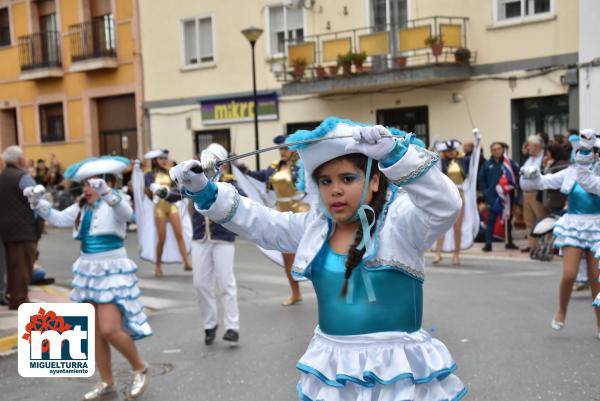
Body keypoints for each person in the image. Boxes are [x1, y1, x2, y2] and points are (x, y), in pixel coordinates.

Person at [171, 117, 466, 400]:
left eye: (347, 178)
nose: (335, 189)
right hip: (334, 367)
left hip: (397, 370)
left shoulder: (401, 222)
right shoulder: (315, 227)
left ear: (375, 181)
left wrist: (395, 155)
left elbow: (445, 205)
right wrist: (206, 192)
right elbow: (262, 223)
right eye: (325, 181)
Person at [25, 156, 151, 400]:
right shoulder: (82, 206)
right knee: (93, 332)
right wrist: (38, 203)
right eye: (83, 184)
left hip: (111, 269)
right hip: (88, 270)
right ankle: (107, 381)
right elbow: (60, 219)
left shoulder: (117, 202)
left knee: (110, 329)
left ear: (108, 183)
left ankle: (139, 366)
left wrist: (108, 194)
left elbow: (127, 215)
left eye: (91, 184)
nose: (85, 189)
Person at [521, 130, 600, 338]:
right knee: (569, 274)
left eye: (595, 151)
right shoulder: (571, 172)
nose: (594, 154)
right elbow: (544, 183)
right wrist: (534, 174)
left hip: (597, 228)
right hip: (574, 224)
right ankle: (562, 310)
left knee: (596, 278)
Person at [238, 135, 308, 306]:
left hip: (302, 213)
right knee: (288, 258)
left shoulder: (302, 166)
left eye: (285, 148)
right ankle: (296, 292)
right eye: (280, 149)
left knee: (313, 254)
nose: (282, 152)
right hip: (283, 215)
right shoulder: (274, 168)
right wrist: (241, 169)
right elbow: (258, 177)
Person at [191, 143, 243, 346]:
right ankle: (209, 324)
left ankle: (232, 327)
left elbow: (243, 203)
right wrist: (161, 192)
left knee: (225, 283)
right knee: (200, 284)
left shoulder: (229, 184)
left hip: (222, 237)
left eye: (212, 160)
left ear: (220, 164)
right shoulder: (193, 180)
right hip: (200, 238)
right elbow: (178, 193)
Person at [0, 146, 38, 310]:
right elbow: (37, 198)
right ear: (19, 160)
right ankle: (21, 299)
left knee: (12, 265)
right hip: (23, 228)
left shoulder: (2, 177)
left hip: (6, 229)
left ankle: (15, 298)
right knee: (23, 266)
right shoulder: (23, 177)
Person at [144, 149, 192, 277]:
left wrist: (175, 169)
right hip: (159, 207)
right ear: (155, 161)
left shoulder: (170, 172)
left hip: (171, 205)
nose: (164, 161)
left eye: (165, 158)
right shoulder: (150, 174)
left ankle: (186, 261)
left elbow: (179, 186)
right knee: (162, 238)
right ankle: (158, 265)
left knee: (179, 234)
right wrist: (154, 189)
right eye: (161, 159)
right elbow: (149, 187)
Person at [478, 142, 520, 251]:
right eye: (494, 149)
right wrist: (485, 192)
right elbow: (481, 180)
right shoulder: (487, 164)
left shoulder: (509, 163)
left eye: (499, 149)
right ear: (491, 151)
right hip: (492, 198)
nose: (497, 151)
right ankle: (488, 243)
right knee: (490, 220)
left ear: (503, 150)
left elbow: (517, 176)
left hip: (507, 197)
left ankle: (509, 241)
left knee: (508, 220)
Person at [433, 140, 469, 265]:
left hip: (459, 194)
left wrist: (477, 140)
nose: (450, 153)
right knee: (441, 225)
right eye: (448, 151)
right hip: (445, 195)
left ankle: (456, 254)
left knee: (457, 227)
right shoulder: (440, 162)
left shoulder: (464, 161)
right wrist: (434, 147)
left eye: (452, 150)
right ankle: (438, 253)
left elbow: (476, 162)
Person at [521, 135, 550, 252]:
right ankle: (532, 244)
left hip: (537, 193)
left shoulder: (544, 157)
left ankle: (548, 244)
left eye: (530, 145)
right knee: (529, 220)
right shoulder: (529, 158)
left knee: (544, 219)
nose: (528, 148)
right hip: (526, 193)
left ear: (537, 146)